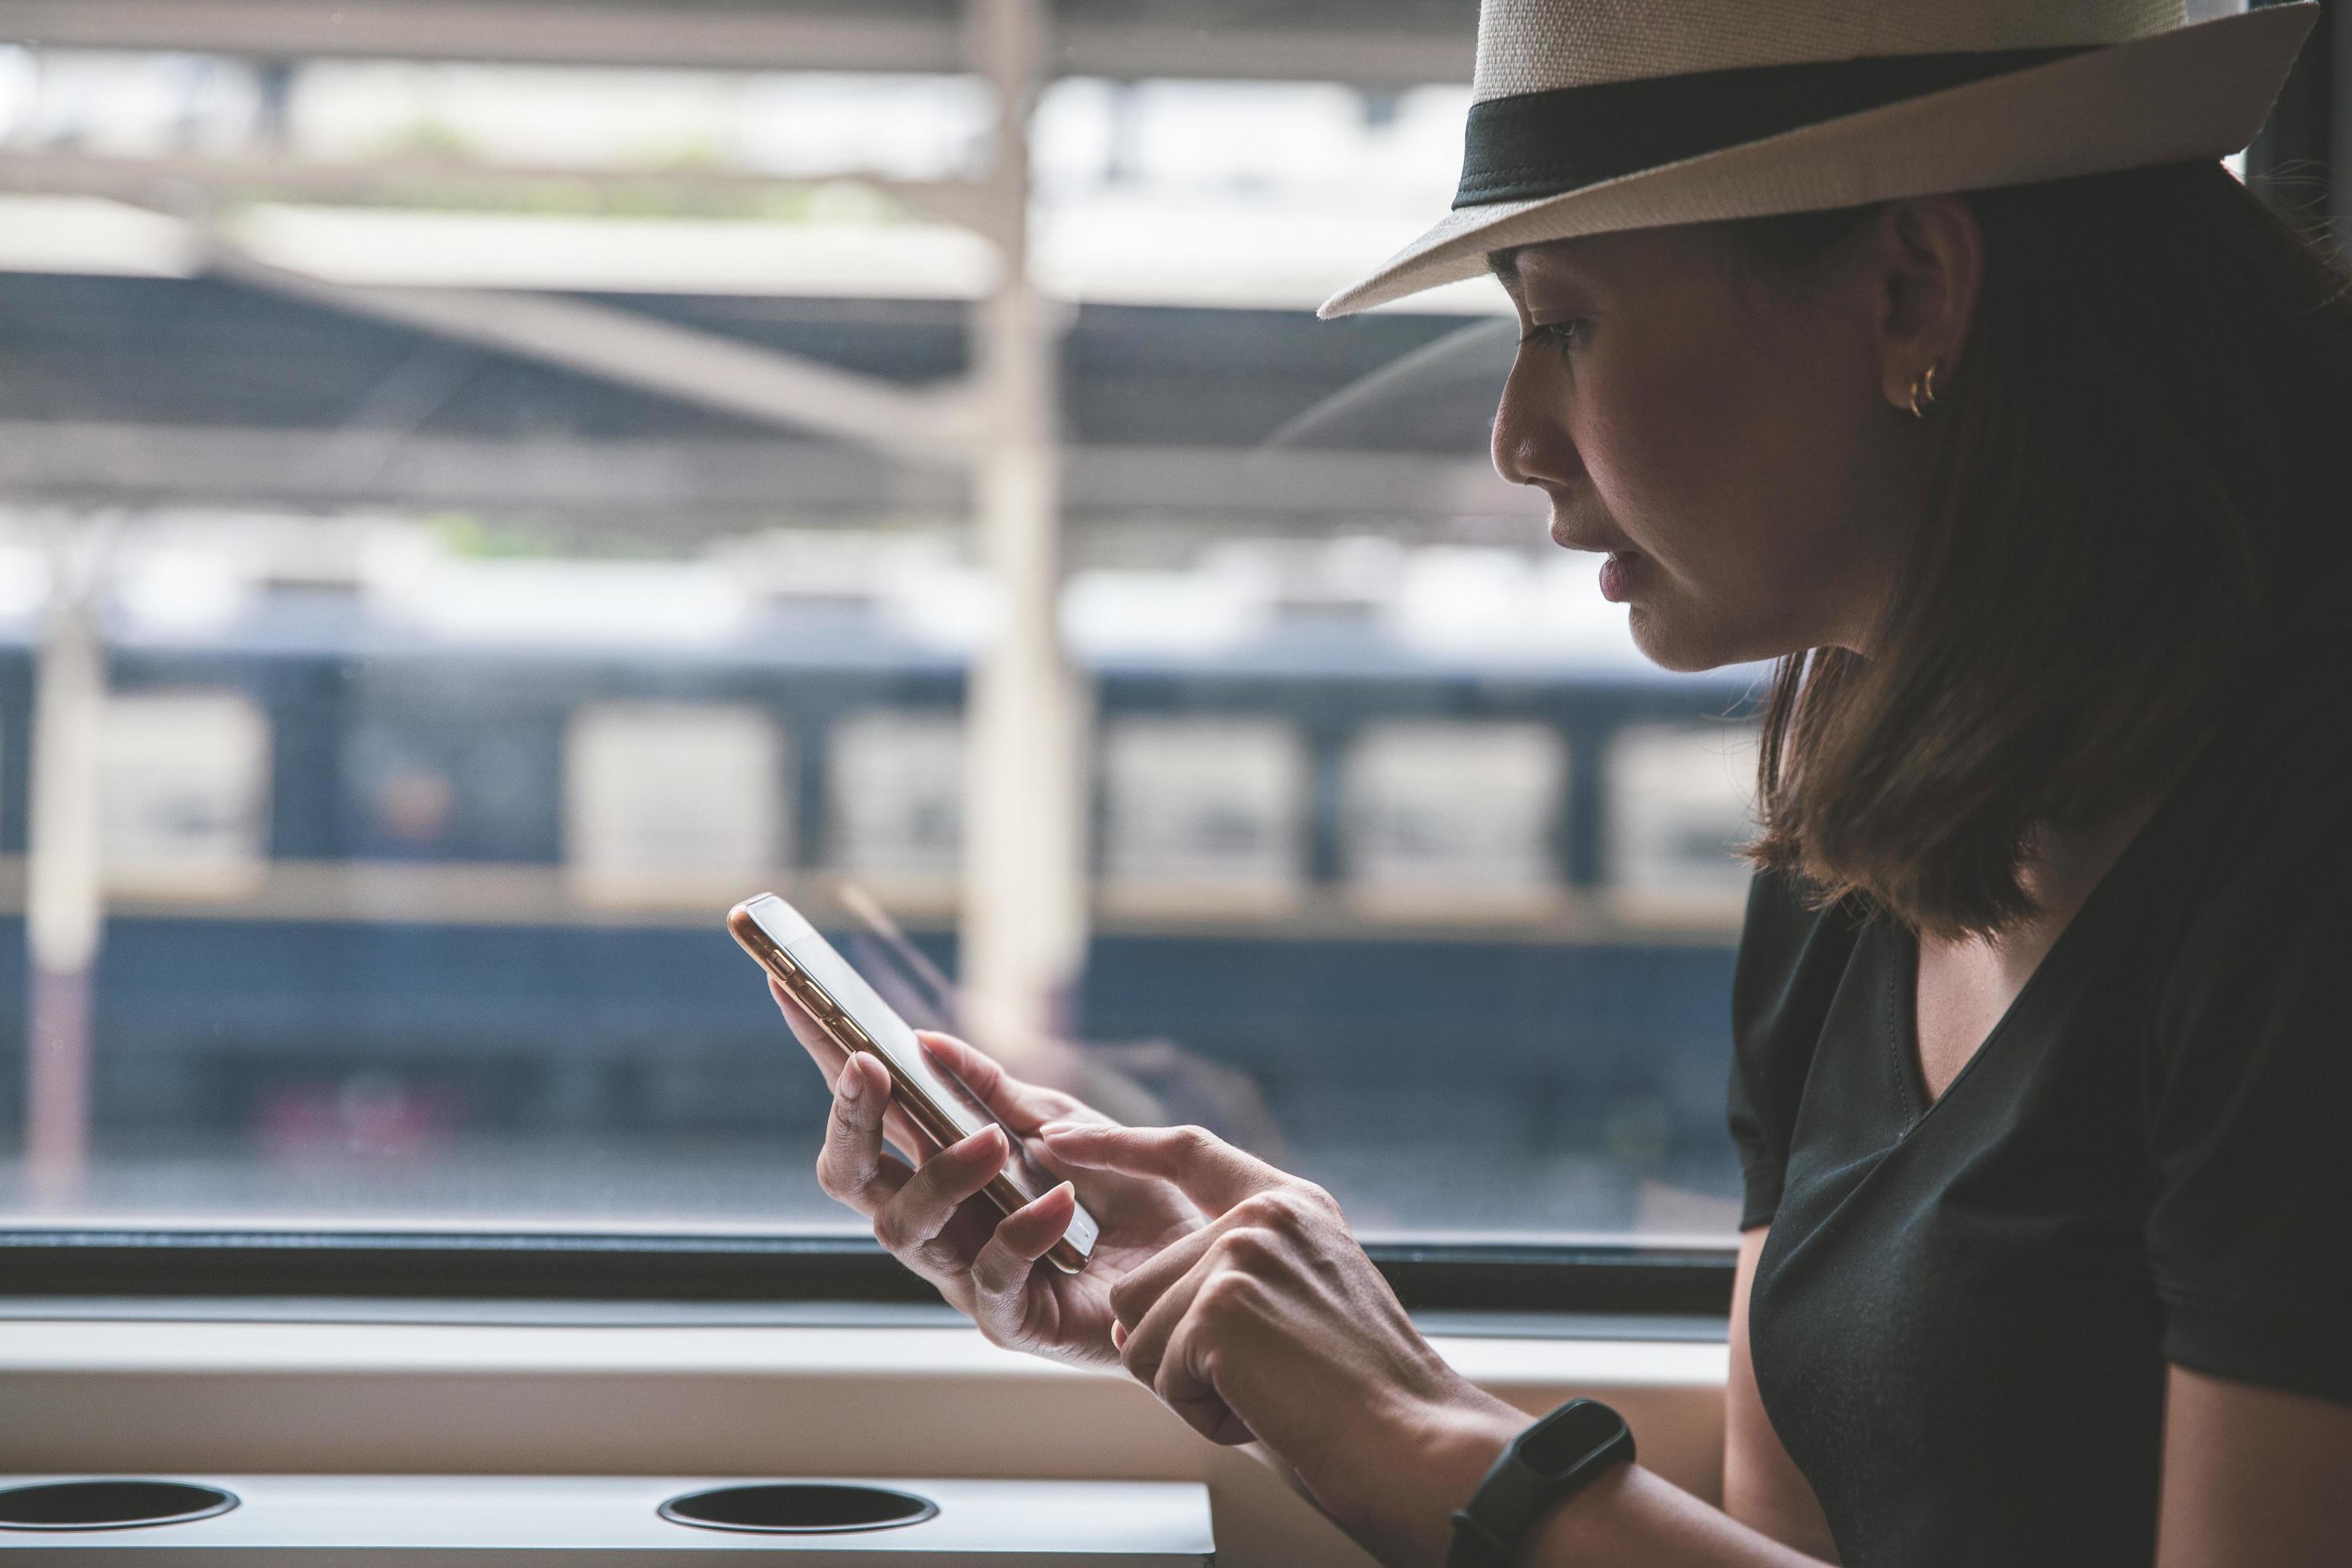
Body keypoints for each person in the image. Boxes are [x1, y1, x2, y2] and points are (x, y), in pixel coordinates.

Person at [775, 2, 2352, 1562]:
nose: (1518, 435)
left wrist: (1417, 1425)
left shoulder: (2303, 886)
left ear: (1908, 289)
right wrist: (1288, 1339)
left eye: (1564, 322)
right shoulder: (1857, 846)